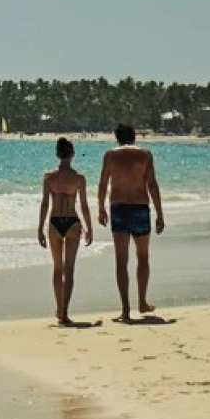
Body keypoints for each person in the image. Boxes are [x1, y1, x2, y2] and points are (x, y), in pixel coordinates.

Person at [97, 123, 165, 322]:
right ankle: (142, 302)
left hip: (118, 208)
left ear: (117, 138)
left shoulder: (110, 155)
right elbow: (152, 184)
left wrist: (100, 208)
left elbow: (103, 183)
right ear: (134, 137)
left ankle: (126, 309)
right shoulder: (145, 155)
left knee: (121, 260)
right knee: (142, 257)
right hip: (139, 208)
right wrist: (160, 213)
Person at [38, 136, 92, 325]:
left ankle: (59, 308)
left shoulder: (49, 177)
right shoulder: (79, 178)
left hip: (54, 222)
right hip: (72, 222)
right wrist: (89, 227)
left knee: (57, 268)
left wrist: (40, 228)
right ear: (72, 154)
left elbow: (45, 204)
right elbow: (84, 205)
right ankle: (65, 312)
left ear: (57, 154)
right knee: (69, 269)